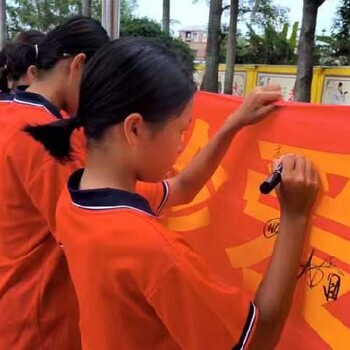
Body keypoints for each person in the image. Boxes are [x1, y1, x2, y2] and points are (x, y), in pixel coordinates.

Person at [26, 38, 320, 349]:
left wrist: (233, 125)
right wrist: (294, 215)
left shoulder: (76, 198)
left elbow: (182, 188)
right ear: (134, 129)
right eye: (180, 130)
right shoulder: (152, 249)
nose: (181, 145)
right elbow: (258, 339)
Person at [0, 16, 109, 350]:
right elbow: (87, 239)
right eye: (99, 82)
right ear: (78, 65)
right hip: (38, 318)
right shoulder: (49, 138)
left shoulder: (6, 113)